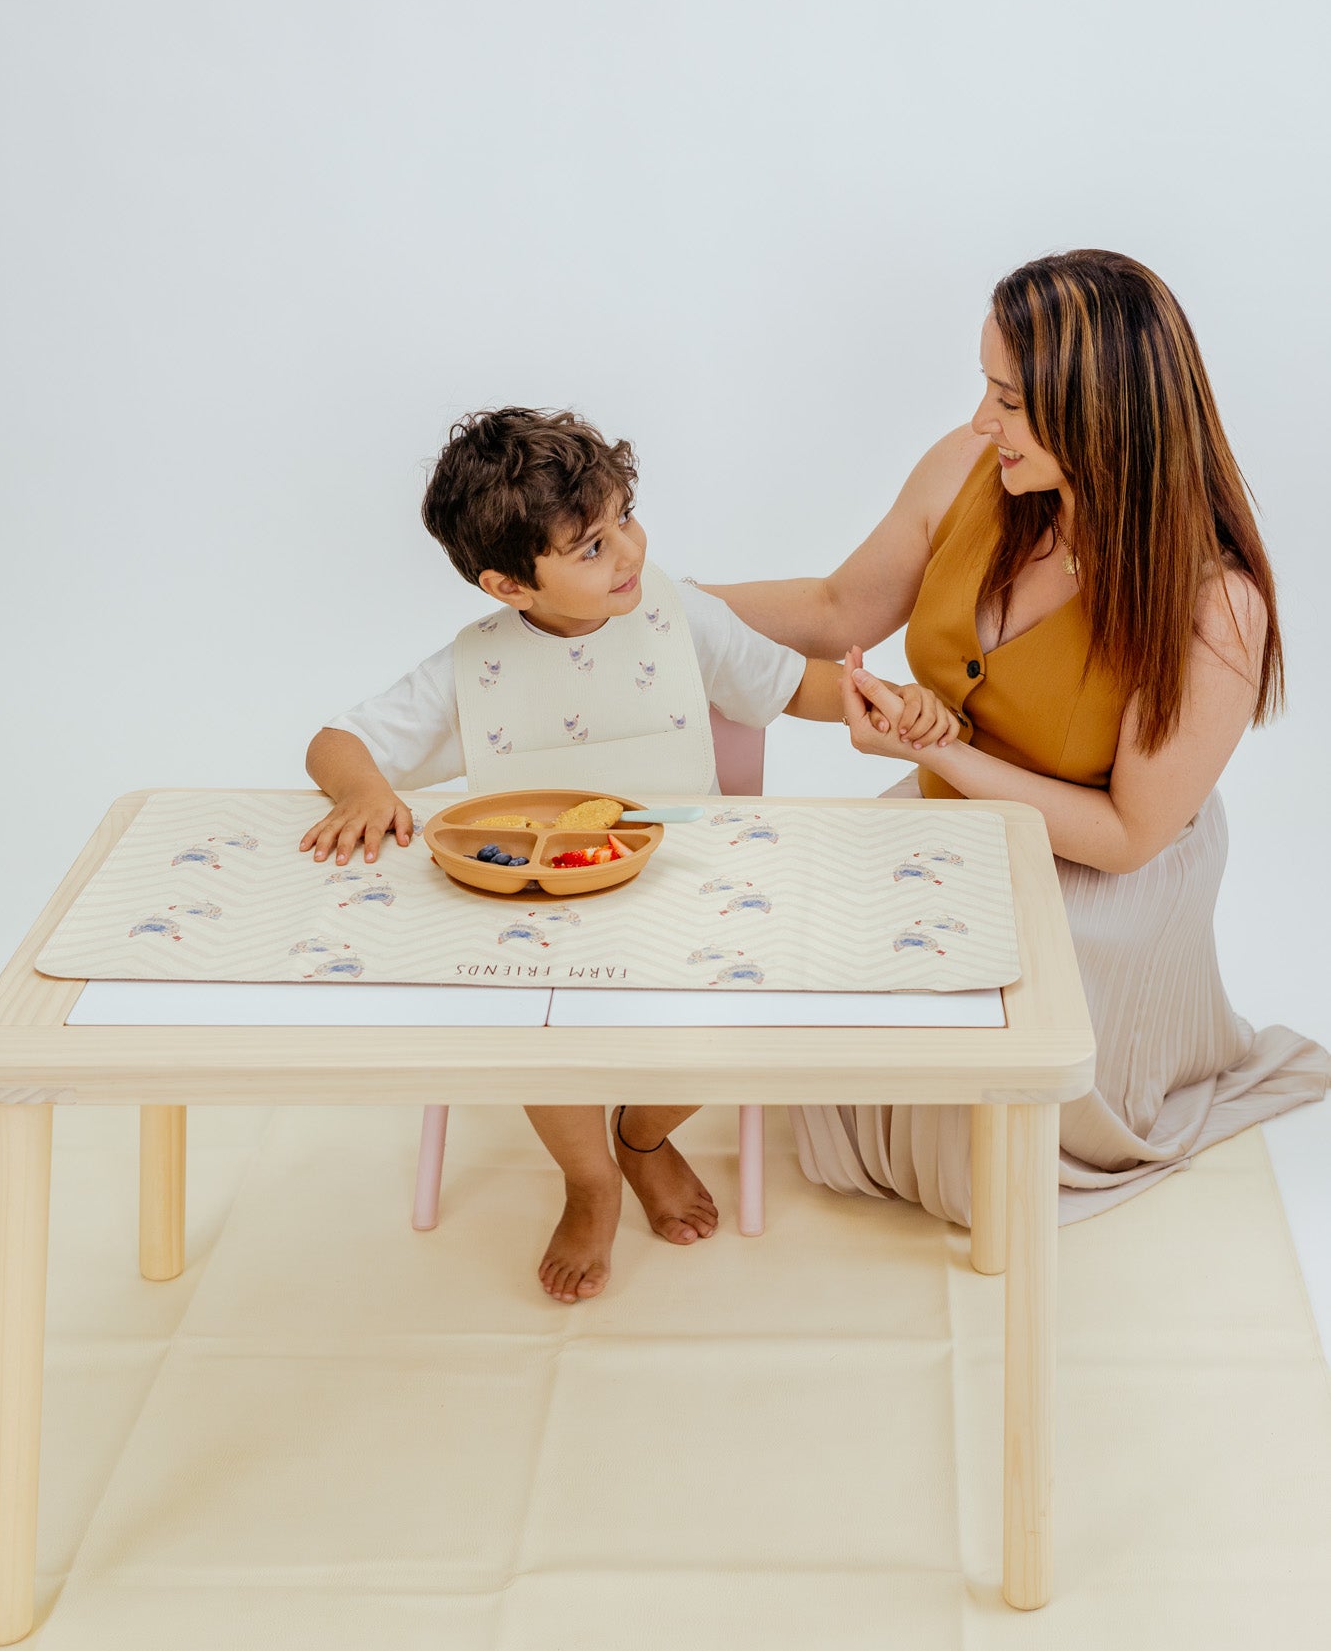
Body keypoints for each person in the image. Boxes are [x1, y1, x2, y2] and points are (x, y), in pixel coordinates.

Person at [706, 249, 1330, 1223]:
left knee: (975, 1164)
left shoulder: (1215, 605)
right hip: (955, 820)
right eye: (985, 385)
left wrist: (936, 750)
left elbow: (1129, 834)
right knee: (799, 951)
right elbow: (837, 607)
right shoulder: (973, 469)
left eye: (1008, 397)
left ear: (1100, 412)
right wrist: (660, 607)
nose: (977, 420)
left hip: (1098, 876)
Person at [299, 407, 869, 1299]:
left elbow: (795, 686)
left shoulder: (684, 617)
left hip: (680, 877)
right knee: (537, 1030)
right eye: (591, 549)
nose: (629, 554)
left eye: (624, 521)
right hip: (538, 901)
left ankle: (641, 1133)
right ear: (508, 586)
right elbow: (336, 742)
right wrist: (368, 791)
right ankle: (590, 1176)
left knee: (758, 1013)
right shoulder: (472, 669)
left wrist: (886, 701)